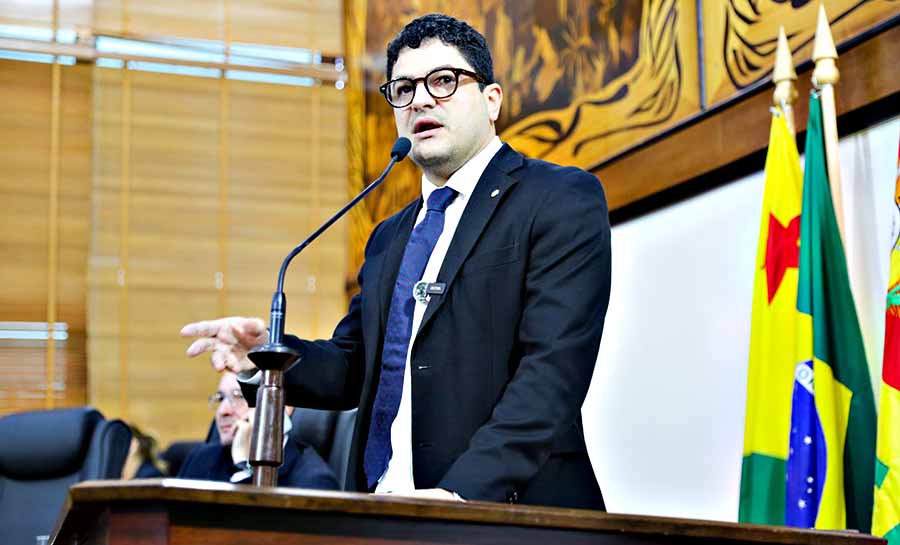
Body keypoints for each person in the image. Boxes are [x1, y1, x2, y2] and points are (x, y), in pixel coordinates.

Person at [181, 13, 610, 509]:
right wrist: (266, 358)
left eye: (444, 81)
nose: (422, 99)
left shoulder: (557, 199)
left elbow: (550, 375)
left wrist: (458, 496)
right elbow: (352, 366)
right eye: (403, 89)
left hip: (508, 514)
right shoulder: (390, 235)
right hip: (383, 511)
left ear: (491, 101)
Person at [178, 372, 339, 490]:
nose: (223, 411)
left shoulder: (314, 481)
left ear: (282, 407)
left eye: (239, 396)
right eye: (221, 398)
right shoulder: (200, 458)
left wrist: (244, 468)